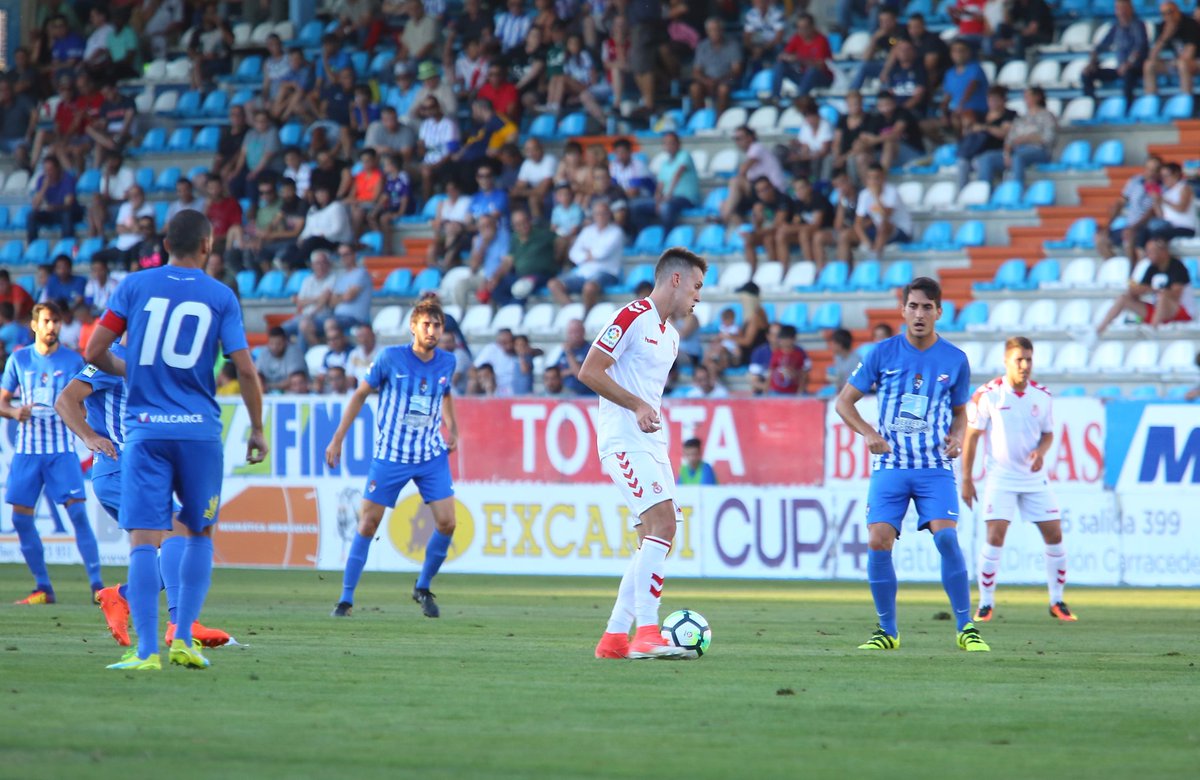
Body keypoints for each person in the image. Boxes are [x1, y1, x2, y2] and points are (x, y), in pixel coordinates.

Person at [86, 209, 266, 671]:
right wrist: (257, 428)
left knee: (145, 541)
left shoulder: (133, 286)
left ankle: (147, 651)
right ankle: (183, 637)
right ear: (208, 245)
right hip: (199, 432)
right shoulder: (221, 295)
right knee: (198, 535)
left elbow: (94, 350)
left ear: (165, 244)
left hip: (146, 431)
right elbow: (246, 370)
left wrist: (134, 371)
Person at [834, 276, 989, 653]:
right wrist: (869, 433)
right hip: (891, 465)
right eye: (914, 306)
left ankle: (966, 627)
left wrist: (957, 437)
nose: (920, 314)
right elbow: (843, 403)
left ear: (939, 312)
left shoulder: (955, 359)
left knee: (947, 537)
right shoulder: (881, 353)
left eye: (927, 307)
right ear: (903, 310)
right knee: (878, 540)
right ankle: (887, 631)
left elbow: (960, 413)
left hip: (934, 467)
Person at [55, 343, 233, 650]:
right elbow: (65, 400)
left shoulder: (155, 360)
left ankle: (122, 596)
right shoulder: (115, 357)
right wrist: (90, 435)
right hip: (119, 469)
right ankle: (181, 625)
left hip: (141, 472)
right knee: (179, 531)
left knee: (184, 541)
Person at [581, 246, 707, 660]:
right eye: (696, 286)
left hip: (652, 444)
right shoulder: (632, 316)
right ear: (676, 279)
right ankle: (648, 632)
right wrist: (636, 405)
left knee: (656, 538)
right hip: (622, 440)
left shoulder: (671, 336)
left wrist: (644, 411)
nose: (698, 296)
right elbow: (589, 370)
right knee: (662, 524)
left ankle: (615, 637)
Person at [326, 299, 459, 619]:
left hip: (430, 455)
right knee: (368, 524)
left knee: (447, 522)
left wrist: (452, 426)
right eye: (426, 325)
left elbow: (445, 394)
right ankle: (345, 600)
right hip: (391, 455)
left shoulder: (447, 361)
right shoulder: (390, 358)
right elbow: (360, 394)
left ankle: (422, 587)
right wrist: (337, 438)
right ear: (413, 327)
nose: (432, 331)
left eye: (437, 325)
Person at [961, 336, 1075, 624]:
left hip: (1033, 478)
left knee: (1055, 534)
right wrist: (967, 479)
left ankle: (1057, 601)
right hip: (1000, 476)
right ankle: (985, 604)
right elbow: (972, 437)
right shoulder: (988, 395)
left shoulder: (1042, 396)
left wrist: (1041, 452)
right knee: (995, 536)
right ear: (1006, 361)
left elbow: (1048, 433)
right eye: (1019, 360)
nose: (1024, 365)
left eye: (1029, 360)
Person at [1, 302, 104, 605]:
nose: (52, 327)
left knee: (78, 514)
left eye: (57, 321)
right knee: (21, 519)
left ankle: (97, 586)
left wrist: (84, 419)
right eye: (47, 321)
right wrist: (14, 412)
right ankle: (43, 587)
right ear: (34, 325)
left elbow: (85, 401)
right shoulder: (19, 359)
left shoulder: (73, 360)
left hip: (61, 450)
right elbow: (3, 401)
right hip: (27, 451)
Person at [1093, 235, 1194, 339]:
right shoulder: (1152, 268)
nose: (1148, 255)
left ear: (1163, 252)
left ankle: (1152, 331)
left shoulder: (1177, 267)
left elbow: (1176, 294)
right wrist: (1138, 290)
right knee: (1124, 298)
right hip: (1158, 311)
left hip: (1180, 312)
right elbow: (1141, 289)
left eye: (1151, 252)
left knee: (1163, 296)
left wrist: (1154, 290)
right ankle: (1099, 331)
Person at [1083, 0, 1148, 106]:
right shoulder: (1116, 27)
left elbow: (1140, 47)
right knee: (1087, 74)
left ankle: (1128, 107)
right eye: (1119, 9)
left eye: (1124, 9)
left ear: (1131, 9)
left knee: (1128, 75)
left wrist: (1128, 64)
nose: (1121, 12)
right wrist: (1092, 61)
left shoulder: (1138, 26)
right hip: (1120, 68)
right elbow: (1102, 46)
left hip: (1135, 68)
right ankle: (1091, 104)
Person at [1097, 155, 1162, 260]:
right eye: (1149, 169)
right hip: (1130, 226)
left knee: (1129, 237)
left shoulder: (1162, 187)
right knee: (1100, 238)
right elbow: (1120, 202)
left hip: (1146, 228)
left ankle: (1131, 269)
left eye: (1155, 170)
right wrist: (1108, 226)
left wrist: (1133, 228)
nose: (1151, 173)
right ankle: (1115, 265)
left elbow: (1152, 212)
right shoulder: (1135, 181)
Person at [1144, 1, 1199, 98]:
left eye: (1170, 12)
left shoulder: (1190, 24)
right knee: (1149, 65)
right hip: (1177, 62)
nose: (1168, 16)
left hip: (1195, 61)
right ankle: (1150, 100)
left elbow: (1190, 53)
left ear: (1177, 11)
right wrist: (1165, 37)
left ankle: (1185, 99)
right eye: (1164, 14)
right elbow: (1152, 56)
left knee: (1183, 64)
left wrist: (1176, 62)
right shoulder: (1162, 26)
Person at [771, 13, 833, 99]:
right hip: (803, 76)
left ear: (812, 27)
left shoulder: (821, 40)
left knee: (812, 71)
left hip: (822, 78)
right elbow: (782, 55)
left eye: (805, 28)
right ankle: (775, 97)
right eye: (799, 28)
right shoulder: (797, 38)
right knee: (780, 65)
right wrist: (787, 58)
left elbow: (820, 66)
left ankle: (800, 99)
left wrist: (799, 59)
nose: (802, 31)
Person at [768, 325, 811, 395]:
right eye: (782, 339)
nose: (785, 342)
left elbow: (803, 374)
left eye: (787, 340)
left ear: (794, 339)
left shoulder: (798, 355)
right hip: (776, 391)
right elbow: (771, 371)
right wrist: (767, 390)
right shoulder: (776, 354)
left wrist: (800, 390)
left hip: (792, 391)